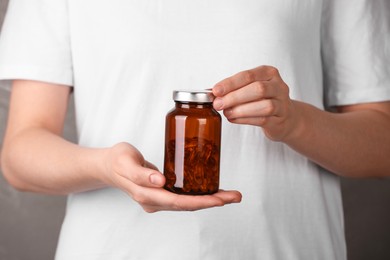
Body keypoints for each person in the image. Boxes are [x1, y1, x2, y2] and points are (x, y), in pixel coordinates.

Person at [0, 0, 389, 259]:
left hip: (288, 248)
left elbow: (382, 143)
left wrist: (296, 121)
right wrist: (105, 167)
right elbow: (21, 153)